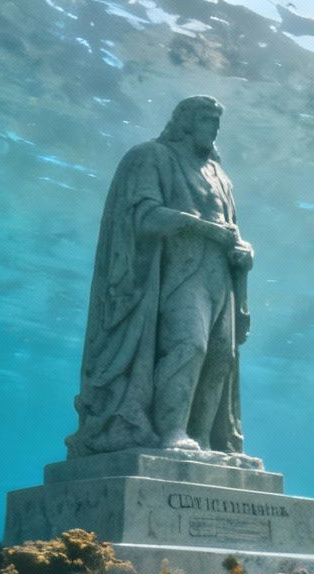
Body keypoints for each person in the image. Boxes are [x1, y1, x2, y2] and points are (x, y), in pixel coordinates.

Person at [68, 95, 255, 458]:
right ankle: (172, 432)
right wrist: (202, 229)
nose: (214, 127)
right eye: (206, 118)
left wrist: (246, 251)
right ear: (185, 122)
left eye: (217, 121)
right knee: (189, 346)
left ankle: (201, 441)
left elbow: (232, 231)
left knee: (220, 357)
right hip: (176, 274)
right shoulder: (151, 157)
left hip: (220, 278)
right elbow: (144, 216)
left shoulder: (220, 177)